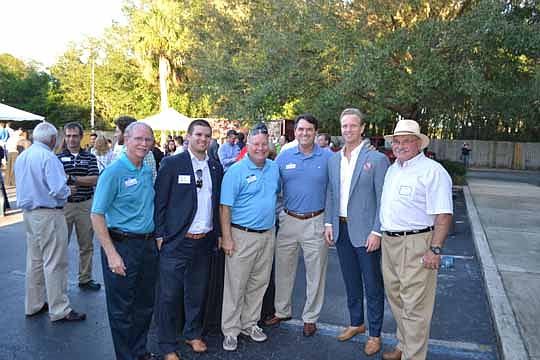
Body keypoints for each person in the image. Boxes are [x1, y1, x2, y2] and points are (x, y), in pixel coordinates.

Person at [380, 119, 453, 360]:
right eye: (397, 141)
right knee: (397, 300)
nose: (400, 146)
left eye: (406, 141)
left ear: (418, 143)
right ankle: (403, 346)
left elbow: (444, 214)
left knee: (415, 307)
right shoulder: (393, 169)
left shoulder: (433, 171)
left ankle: (414, 356)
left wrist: (435, 249)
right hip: (390, 243)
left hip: (417, 244)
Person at [154, 119, 223, 360]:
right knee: (169, 295)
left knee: (197, 292)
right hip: (177, 242)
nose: (203, 139)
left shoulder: (215, 166)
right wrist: (160, 235)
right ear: (188, 137)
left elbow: (215, 204)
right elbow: (160, 202)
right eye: (198, 135)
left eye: (207, 136)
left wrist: (218, 235)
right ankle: (167, 345)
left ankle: (192, 333)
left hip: (204, 241)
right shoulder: (172, 163)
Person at [324, 108, 390, 356]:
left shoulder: (378, 160)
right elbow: (331, 192)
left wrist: (377, 231)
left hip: (366, 232)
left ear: (362, 128)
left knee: (372, 285)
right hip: (341, 229)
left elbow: (383, 198)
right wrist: (329, 224)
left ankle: (375, 334)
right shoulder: (333, 159)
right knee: (351, 281)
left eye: (353, 125)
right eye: (344, 126)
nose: (348, 130)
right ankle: (356, 323)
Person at [91, 122, 158, 360]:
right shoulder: (113, 172)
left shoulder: (146, 170)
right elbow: (97, 214)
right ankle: (126, 356)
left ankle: (140, 352)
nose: (144, 144)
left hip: (147, 246)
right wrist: (111, 254)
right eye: (139, 139)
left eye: (148, 139)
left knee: (145, 305)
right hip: (122, 246)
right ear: (126, 140)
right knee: (122, 309)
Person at [264, 114, 332, 337]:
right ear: (295, 132)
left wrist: (329, 222)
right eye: (301, 129)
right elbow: (273, 187)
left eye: (309, 129)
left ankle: (310, 317)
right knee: (283, 269)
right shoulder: (284, 156)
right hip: (289, 221)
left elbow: (333, 192)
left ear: (316, 132)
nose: (304, 133)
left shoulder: (328, 157)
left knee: (315, 273)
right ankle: (282, 310)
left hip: (316, 221)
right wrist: (279, 214)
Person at [14, 121, 87, 322]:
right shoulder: (49, 157)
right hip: (49, 213)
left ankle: (34, 304)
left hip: (29, 214)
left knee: (34, 262)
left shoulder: (23, 157)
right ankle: (60, 308)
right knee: (55, 262)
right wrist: (68, 191)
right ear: (54, 139)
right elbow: (57, 189)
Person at [220, 123, 280, 351]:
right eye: (256, 144)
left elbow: (277, 195)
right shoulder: (236, 171)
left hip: (267, 235)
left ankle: (250, 324)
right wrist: (227, 238)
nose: (261, 148)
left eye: (264, 144)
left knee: (258, 283)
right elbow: (224, 207)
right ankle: (231, 331)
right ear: (248, 145)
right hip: (241, 235)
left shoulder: (274, 168)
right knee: (236, 285)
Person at [57, 122, 101, 291]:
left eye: (74, 136)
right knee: (61, 245)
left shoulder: (89, 157)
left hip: (85, 205)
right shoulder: (58, 157)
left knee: (86, 245)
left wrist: (72, 178)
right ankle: (59, 281)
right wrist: (68, 183)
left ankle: (85, 278)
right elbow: (55, 180)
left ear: (81, 137)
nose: (71, 139)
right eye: (68, 136)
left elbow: (95, 179)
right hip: (65, 206)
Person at [113, 115, 157, 184]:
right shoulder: (148, 153)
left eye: (117, 131)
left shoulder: (126, 155)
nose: (115, 135)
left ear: (125, 133)